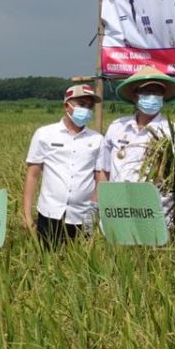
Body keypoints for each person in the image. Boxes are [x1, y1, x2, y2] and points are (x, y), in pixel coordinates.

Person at [96, 66, 175, 232]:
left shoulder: (174, 133)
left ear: (163, 97)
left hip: (157, 215)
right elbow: (103, 172)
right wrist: (97, 207)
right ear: (135, 96)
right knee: (117, 257)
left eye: (157, 93)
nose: (152, 97)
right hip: (118, 213)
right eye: (147, 92)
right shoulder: (117, 127)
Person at [22, 83, 104, 247]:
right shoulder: (45, 134)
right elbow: (32, 174)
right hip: (50, 213)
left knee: (82, 264)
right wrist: (26, 214)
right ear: (67, 105)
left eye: (90, 106)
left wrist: (93, 212)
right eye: (81, 104)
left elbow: (99, 177)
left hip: (83, 215)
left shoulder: (97, 140)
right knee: (47, 262)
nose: (86, 110)